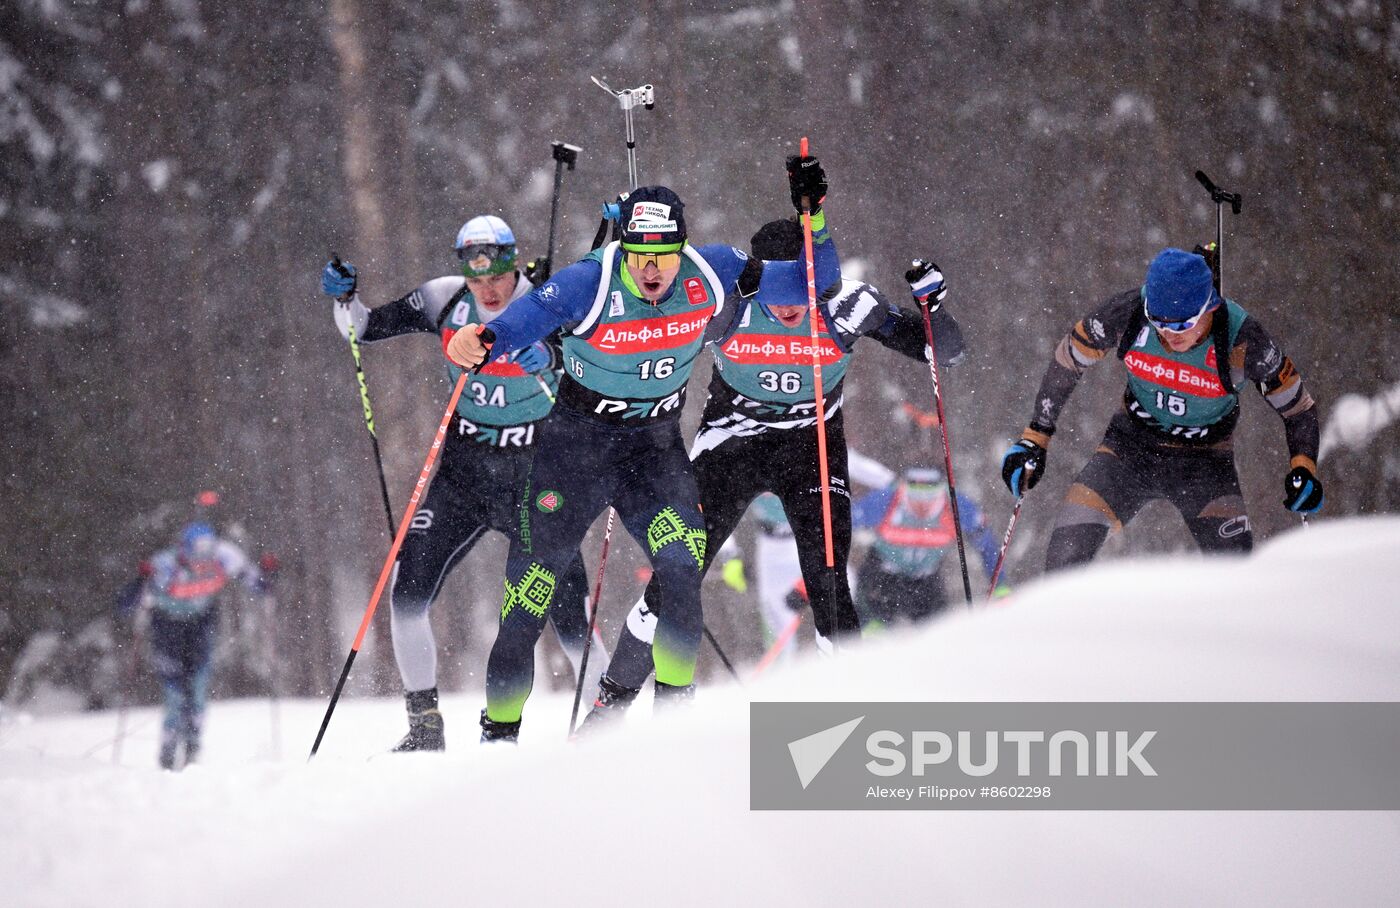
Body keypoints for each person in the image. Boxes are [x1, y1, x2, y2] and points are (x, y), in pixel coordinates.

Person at [443, 156, 835, 742]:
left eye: (664, 254)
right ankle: (498, 735)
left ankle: (671, 729)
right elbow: (526, 319)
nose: (652, 269)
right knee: (529, 595)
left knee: (681, 570)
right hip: (575, 447)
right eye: (640, 254)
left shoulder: (715, 270)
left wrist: (815, 218)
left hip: (653, 451)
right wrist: (482, 340)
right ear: (624, 247)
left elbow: (811, 282)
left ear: (683, 246)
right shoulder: (590, 280)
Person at [578, 221, 969, 724]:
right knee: (675, 580)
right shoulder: (724, 304)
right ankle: (611, 705)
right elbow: (631, 338)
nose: (787, 304)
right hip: (732, 446)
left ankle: (848, 722)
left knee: (830, 588)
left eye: (801, 288)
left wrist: (933, 312)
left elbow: (948, 353)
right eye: (774, 288)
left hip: (811, 449)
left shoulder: (847, 306)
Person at [318, 215, 602, 752]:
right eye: (478, 281)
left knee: (570, 617)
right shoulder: (443, 301)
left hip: (537, 475)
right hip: (465, 474)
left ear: (514, 265)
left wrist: (549, 354)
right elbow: (364, 328)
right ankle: (425, 726)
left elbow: (599, 355)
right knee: (405, 594)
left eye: (497, 278)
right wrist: (344, 299)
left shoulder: (547, 300)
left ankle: (606, 724)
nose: (489, 291)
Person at [1000, 245, 1322, 571]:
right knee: (1064, 559)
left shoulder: (1243, 340)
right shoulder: (1128, 312)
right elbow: (1068, 358)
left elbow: (1298, 408)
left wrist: (1303, 467)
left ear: (1209, 306)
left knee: (1235, 571)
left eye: (1182, 325)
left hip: (1206, 462)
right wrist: (1035, 437)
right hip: (1129, 450)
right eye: (1159, 321)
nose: (1169, 335)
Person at [139, 522, 265, 769]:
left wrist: (268, 577)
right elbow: (129, 600)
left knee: (197, 691)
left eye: (207, 554)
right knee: (175, 695)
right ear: (184, 550)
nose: (201, 561)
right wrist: (143, 581)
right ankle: (167, 753)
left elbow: (254, 582)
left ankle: (192, 750)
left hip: (199, 627)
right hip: (168, 630)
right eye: (196, 554)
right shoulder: (166, 564)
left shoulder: (223, 557)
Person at [851, 467, 1004, 627]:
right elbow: (842, 526)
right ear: (903, 488)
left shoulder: (956, 505)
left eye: (930, 495)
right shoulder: (886, 500)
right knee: (870, 635)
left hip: (926, 582)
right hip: (881, 580)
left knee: (937, 634)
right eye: (915, 494)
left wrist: (1000, 584)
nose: (922, 503)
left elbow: (986, 545)